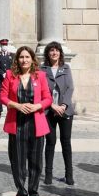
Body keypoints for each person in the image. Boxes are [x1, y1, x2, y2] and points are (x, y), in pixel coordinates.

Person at [0, 45, 52, 196]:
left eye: (27, 57)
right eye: (21, 57)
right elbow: (2, 96)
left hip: (36, 124)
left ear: (32, 59)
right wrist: (17, 105)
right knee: (18, 163)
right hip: (17, 124)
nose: (24, 60)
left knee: (36, 163)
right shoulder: (10, 75)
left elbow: (48, 98)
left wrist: (37, 106)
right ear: (17, 59)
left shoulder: (40, 76)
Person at [42, 41, 75, 186]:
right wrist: (52, 105)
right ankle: (48, 175)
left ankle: (69, 175)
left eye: (57, 50)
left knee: (66, 142)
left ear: (60, 53)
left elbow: (70, 88)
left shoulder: (66, 68)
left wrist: (63, 104)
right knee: (50, 142)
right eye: (51, 51)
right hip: (49, 110)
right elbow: (41, 91)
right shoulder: (42, 69)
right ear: (47, 53)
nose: (54, 53)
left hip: (64, 110)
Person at [0, 38, 13, 118]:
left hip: (9, 78)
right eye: (3, 45)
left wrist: (8, 74)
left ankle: (10, 111)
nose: (4, 46)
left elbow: (13, 66)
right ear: (0, 45)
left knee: (10, 95)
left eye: (5, 45)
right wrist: (2, 73)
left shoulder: (11, 55)